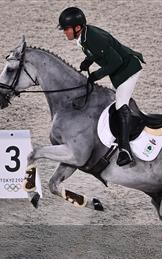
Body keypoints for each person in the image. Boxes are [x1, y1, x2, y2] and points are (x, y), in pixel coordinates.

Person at [58, 7, 145, 166]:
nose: (65, 32)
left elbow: (116, 61)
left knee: (121, 105)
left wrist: (95, 76)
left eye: (66, 29)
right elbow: (98, 51)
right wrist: (88, 61)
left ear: (77, 28)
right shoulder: (84, 35)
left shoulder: (92, 37)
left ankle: (125, 150)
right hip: (120, 72)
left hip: (129, 70)